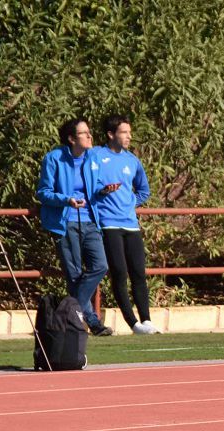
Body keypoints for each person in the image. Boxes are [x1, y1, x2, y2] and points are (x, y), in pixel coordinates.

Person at [35, 117, 113, 336]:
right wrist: (66, 199)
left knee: (100, 265)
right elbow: (43, 192)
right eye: (84, 133)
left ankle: (68, 309)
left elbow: (94, 186)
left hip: (90, 220)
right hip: (65, 221)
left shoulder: (92, 157)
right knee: (75, 275)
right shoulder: (54, 158)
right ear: (71, 138)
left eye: (89, 132)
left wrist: (104, 190)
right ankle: (94, 324)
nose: (89, 136)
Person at [93, 114, 157, 334]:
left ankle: (146, 320)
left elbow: (144, 191)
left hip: (130, 224)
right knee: (119, 273)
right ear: (111, 134)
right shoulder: (96, 156)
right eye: (124, 132)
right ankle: (133, 323)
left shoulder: (132, 160)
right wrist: (102, 192)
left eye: (130, 132)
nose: (129, 136)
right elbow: (87, 186)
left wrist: (130, 203)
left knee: (138, 272)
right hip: (108, 224)